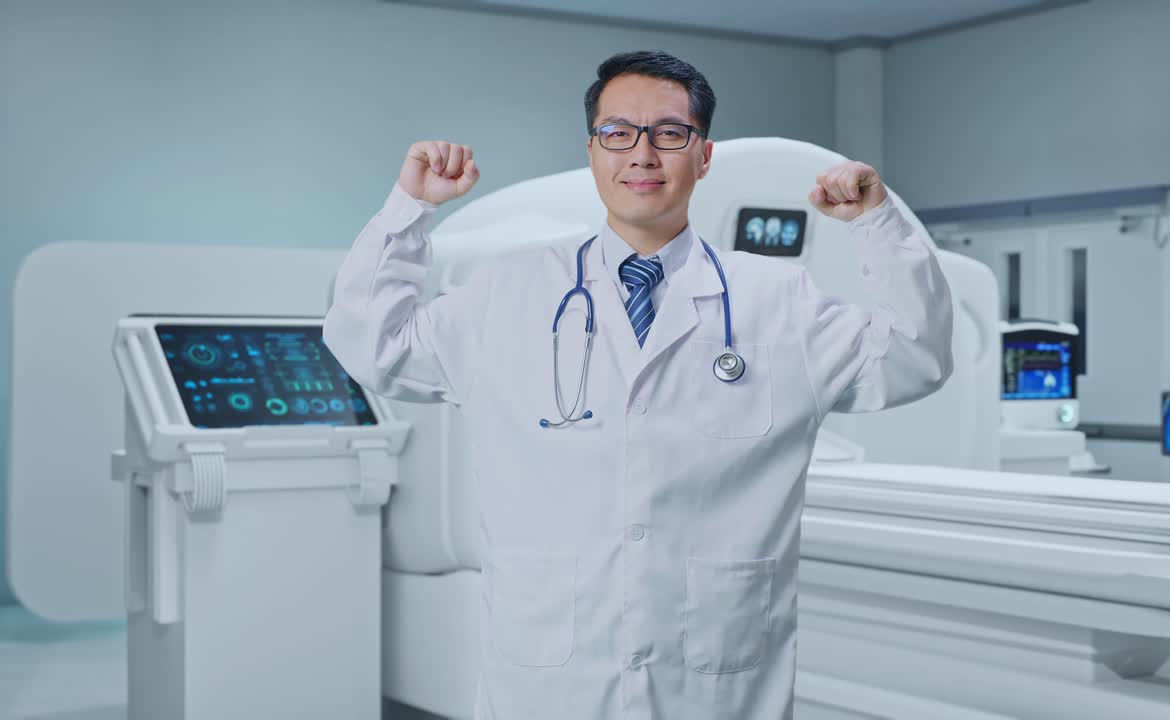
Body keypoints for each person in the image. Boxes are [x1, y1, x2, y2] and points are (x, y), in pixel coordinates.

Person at [324, 50, 953, 720]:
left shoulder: (777, 302)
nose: (643, 154)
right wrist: (410, 208)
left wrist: (880, 223)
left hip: (716, 683)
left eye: (670, 133)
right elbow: (372, 342)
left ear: (703, 156)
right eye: (618, 132)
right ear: (593, 150)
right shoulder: (507, 293)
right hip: (550, 682)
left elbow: (915, 355)